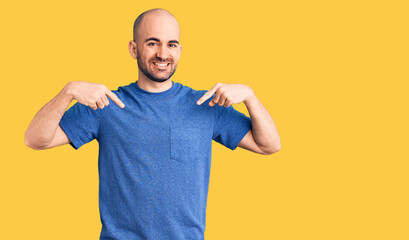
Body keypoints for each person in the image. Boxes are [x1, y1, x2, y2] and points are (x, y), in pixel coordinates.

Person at [25, 8, 281, 240]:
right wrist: (66, 93)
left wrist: (250, 96)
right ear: (134, 49)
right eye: (152, 43)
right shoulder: (104, 104)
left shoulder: (206, 105)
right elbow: (36, 139)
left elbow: (268, 144)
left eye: (171, 44)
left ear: (180, 50)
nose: (163, 54)